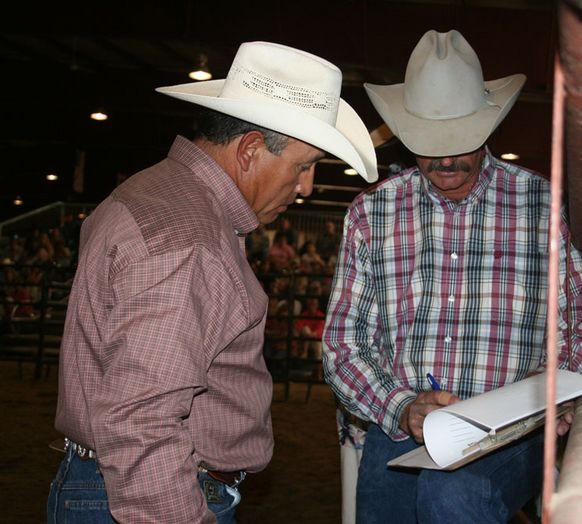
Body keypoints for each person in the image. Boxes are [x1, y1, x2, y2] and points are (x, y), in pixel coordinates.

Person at [48, 41, 378, 524]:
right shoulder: (191, 238)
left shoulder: (154, 194)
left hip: (108, 485)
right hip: (153, 495)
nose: (306, 187)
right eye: (303, 166)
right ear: (249, 151)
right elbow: (143, 421)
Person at [323, 30, 582, 524]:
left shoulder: (539, 206)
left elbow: (579, 329)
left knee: (453, 497)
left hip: (510, 434)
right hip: (402, 430)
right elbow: (343, 346)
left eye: (460, 144)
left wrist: (551, 388)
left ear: (488, 128)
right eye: (430, 147)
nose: (446, 161)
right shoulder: (372, 214)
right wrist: (404, 407)